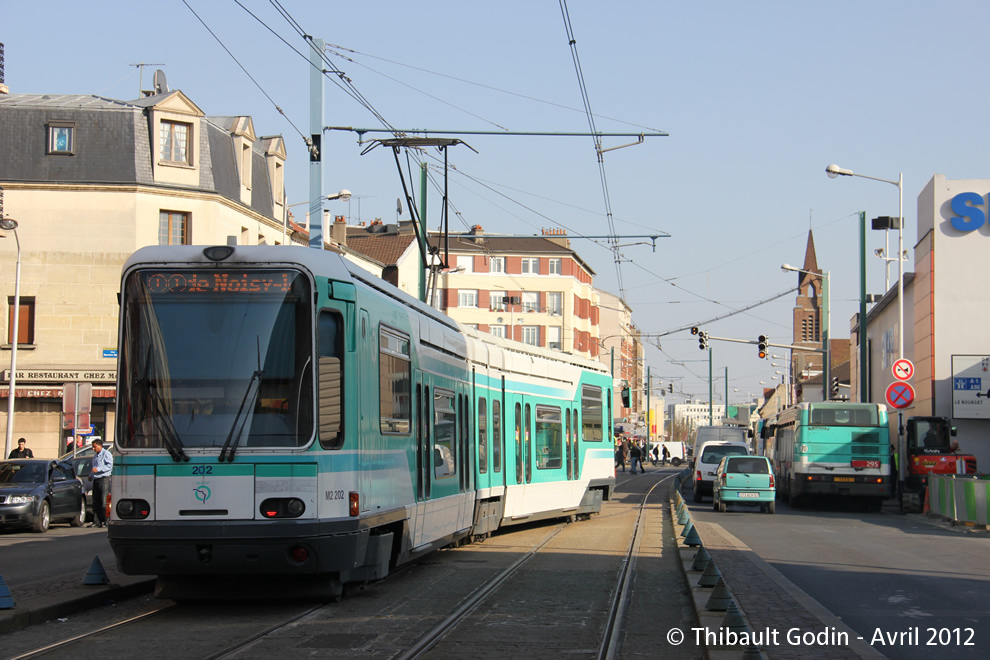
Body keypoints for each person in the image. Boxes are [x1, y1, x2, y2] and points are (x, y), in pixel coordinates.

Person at [88, 439, 113, 528]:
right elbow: (93, 467)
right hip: (96, 479)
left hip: (104, 479)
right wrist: (91, 475)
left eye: (95, 446)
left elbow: (110, 465)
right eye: (93, 447)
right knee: (96, 502)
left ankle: (105, 520)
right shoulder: (95, 456)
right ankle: (96, 521)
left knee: (103, 501)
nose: (93, 448)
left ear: (100, 446)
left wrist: (98, 469)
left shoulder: (106, 454)